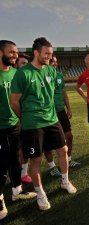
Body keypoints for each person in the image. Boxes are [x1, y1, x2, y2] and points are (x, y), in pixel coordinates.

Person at [10, 37, 77, 211]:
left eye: (51, 54)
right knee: (36, 161)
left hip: (52, 120)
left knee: (63, 150)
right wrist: (25, 118)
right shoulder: (23, 73)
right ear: (36, 52)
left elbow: (54, 93)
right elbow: (14, 101)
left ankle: (65, 181)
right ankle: (40, 194)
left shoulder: (52, 72)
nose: (49, 57)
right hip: (32, 124)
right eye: (46, 54)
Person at [0, 40, 36, 220]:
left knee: (15, 159)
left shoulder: (16, 73)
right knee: (2, 164)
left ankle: (16, 190)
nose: (15, 55)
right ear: (1, 53)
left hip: (14, 124)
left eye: (16, 52)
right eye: (11, 52)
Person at [43, 55, 80, 178]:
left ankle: (68, 159)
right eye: (52, 61)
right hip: (47, 113)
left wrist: (68, 108)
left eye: (56, 62)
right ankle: (52, 167)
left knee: (69, 136)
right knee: (47, 143)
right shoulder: (41, 75)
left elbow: (64, 93)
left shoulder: (59, 76)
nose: (55, 64)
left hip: (60, 111)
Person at [15, 52, 32, 183]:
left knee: (24, 147)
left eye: (27, 63)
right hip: (14, 120)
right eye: (23, 63)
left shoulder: (28, 78)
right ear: (16, 65)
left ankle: (23, 173)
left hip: (25, 119)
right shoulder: (13, 78)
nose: (26, 66)